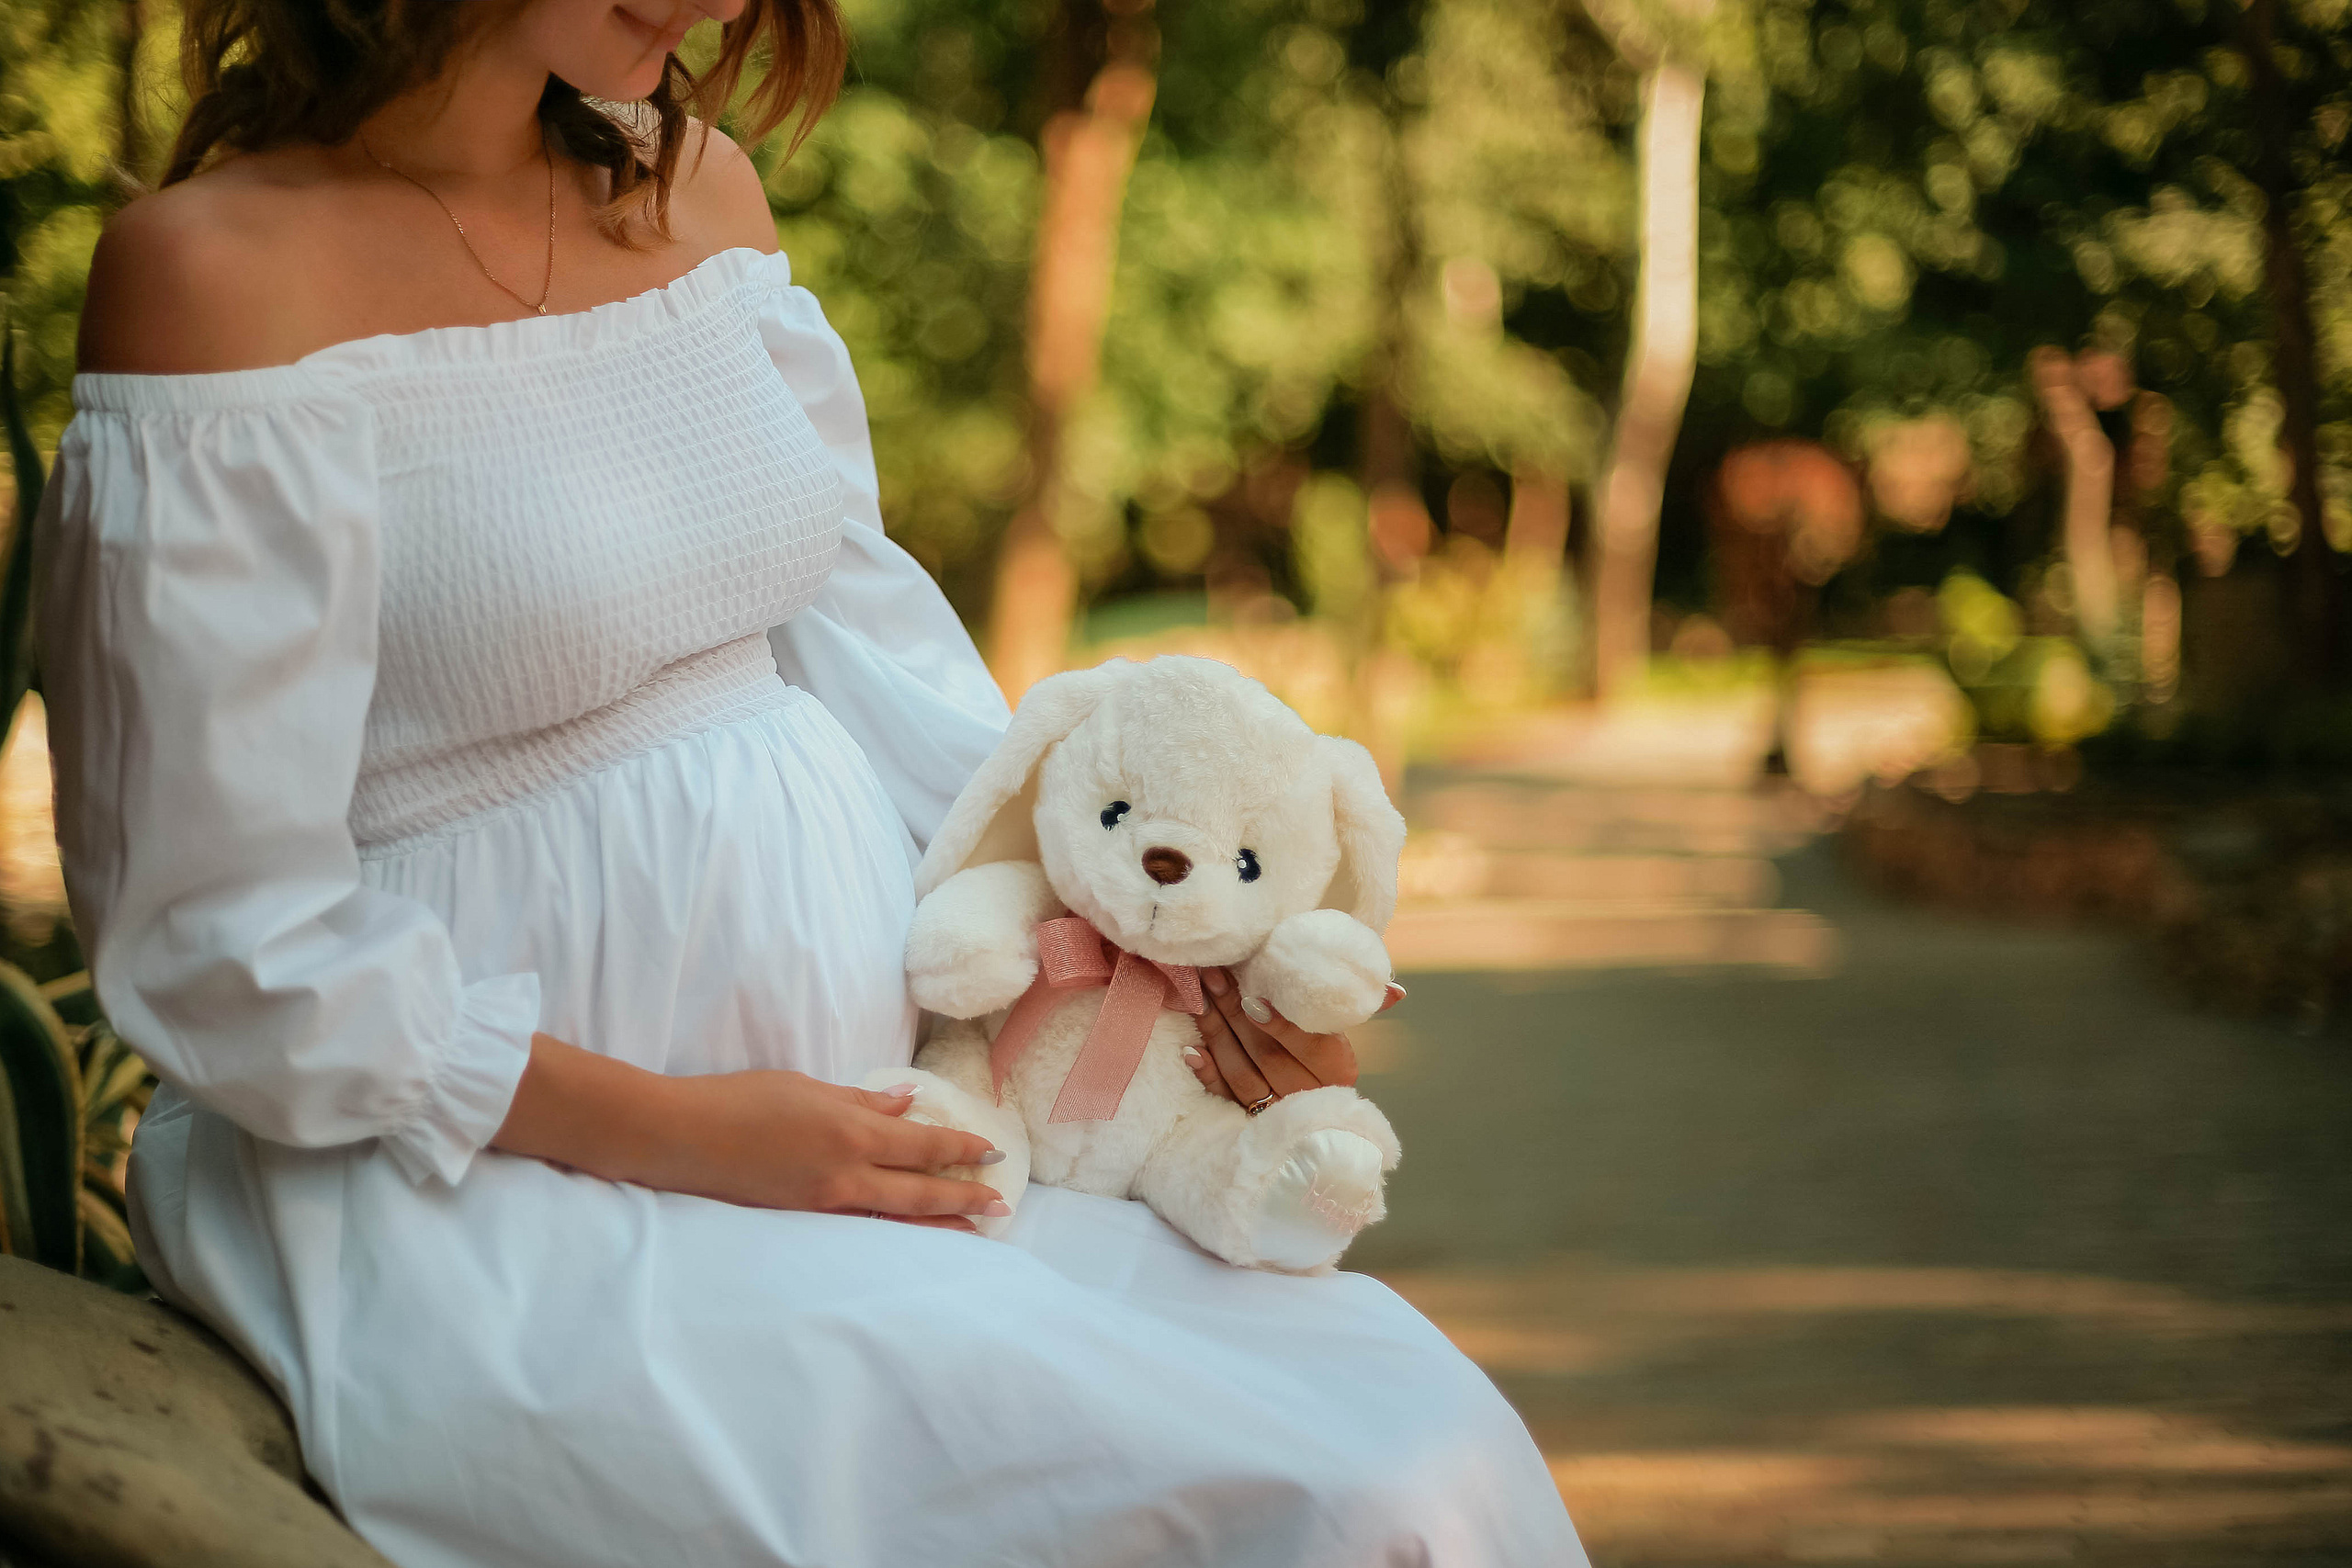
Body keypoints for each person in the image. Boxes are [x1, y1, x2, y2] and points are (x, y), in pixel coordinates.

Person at [39, 2, 1586, 1562]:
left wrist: (1179, 983)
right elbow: (218, 927)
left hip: (896, 1127)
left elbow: (887, 670)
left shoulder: (694, 189)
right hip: (476, 1191)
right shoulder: (216, 279)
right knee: (1289, 1501)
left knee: (1410, 1445)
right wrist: (697, 1133)